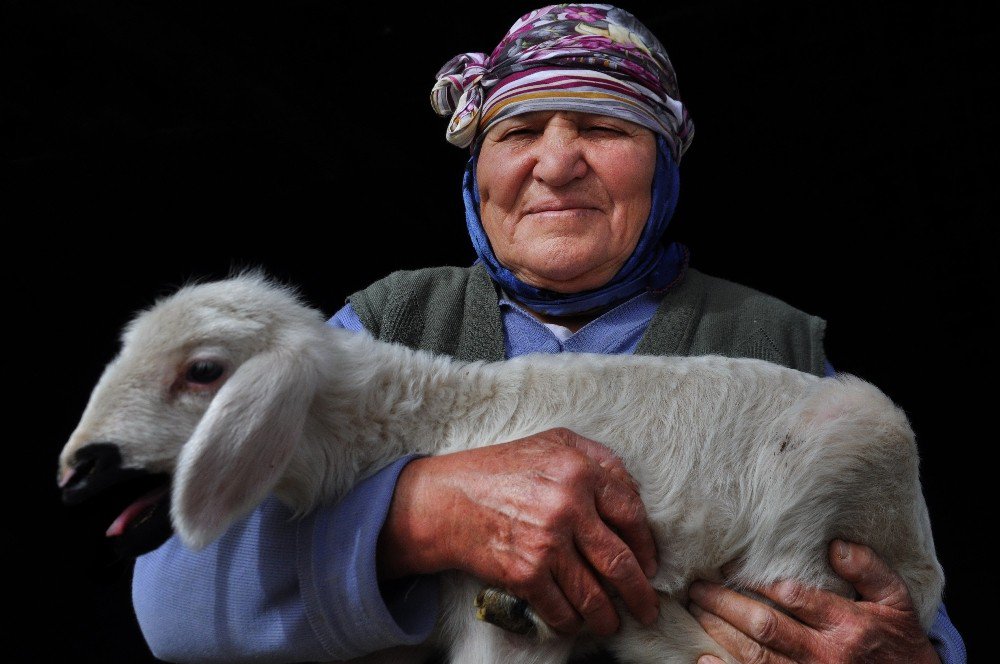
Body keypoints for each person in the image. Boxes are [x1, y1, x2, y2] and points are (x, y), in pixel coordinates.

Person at [132, 4, 966, 663]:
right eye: (519, 131)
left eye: (604, 128)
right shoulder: (379, 331)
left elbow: (904, 599)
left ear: (663, 169)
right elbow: (171, 605)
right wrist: (419, 515)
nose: (557, 163)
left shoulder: (775, 353)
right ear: (477, 173)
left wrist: (913, 659)